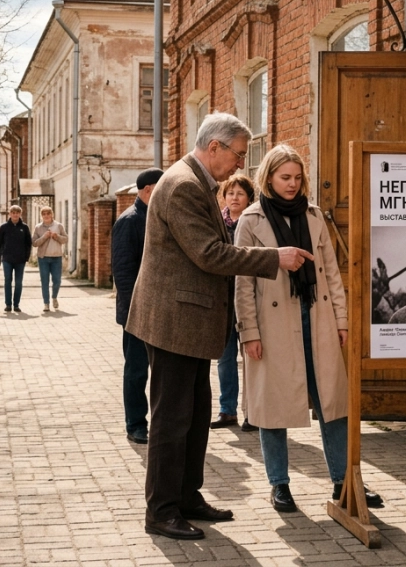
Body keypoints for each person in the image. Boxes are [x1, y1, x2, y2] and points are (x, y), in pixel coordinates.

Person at [125, 113, 313, 541]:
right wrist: (273, 258)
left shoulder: (195, 181)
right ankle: (161, 511)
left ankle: (187, 497)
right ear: (215, 148)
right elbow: (210, 254)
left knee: (193, 416)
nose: (239, 167)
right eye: (238, 155)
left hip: (187, 321)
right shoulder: (184, 186)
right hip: (174, 322)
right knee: (172, 420)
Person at [234, 144, 384, 514]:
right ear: (268, 177)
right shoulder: (251, 220)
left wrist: (342, 321)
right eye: (285, 177)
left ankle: (345, 481)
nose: (293, 184)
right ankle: (279, 485)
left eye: (298, 178)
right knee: (272, 406)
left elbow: (332, 273)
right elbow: (243, 283)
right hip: (272, 324)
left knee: (334, 403)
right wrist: (249, 332)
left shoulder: (314, 215)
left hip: (316, 318)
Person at [111, 167, 163, 445]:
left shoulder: (157, 217)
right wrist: (137, 310)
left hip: (160, 309)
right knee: (136, 370)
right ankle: (135, 424)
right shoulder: (129, 221)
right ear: (147, 191)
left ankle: (159, 423)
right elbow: (123, 272)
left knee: (161, 372)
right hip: (137, 312)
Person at [210, 174, 258, 432]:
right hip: (225, 302)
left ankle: (253, 412)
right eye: (230, 193)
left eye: (240, 194)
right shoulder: (218, 223)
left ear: (249, 198)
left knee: (252, 358)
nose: (234, 198)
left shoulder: (255, 224)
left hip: (249, 300)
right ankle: (227, 410)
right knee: (225, 359)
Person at [0, 205, 32, 313]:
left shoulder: (24, 227)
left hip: (20, 260)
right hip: (7, 259)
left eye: (17, 213)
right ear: (10, 214)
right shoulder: (4, 227)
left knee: (18, 283)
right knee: (7, 281)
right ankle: (8, 304)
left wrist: (26, 257)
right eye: (13, 212)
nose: (15, 214)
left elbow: (29, 243)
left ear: (20, 214)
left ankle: (16, 304)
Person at [32, 207, 68, 312]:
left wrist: (56, 237)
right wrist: (44, 237)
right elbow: (34, 243)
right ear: (41, 216)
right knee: (45, 281)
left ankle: (54, 297)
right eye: (44, 214)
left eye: (48, 213)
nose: (46, 216)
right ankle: (46, 303)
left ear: (52, 214)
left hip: (56, 257)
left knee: (57, 280)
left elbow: (65, 239)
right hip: (43, 258)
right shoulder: (38, 227)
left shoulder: (58, 226)